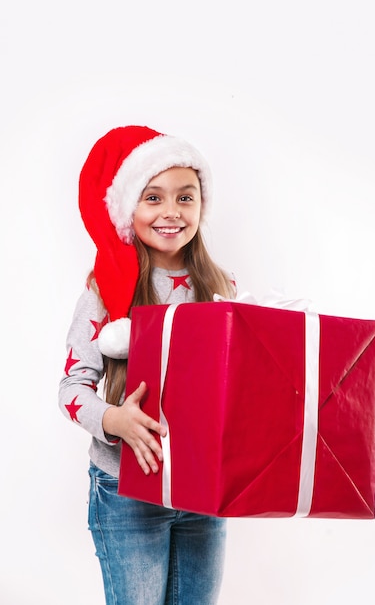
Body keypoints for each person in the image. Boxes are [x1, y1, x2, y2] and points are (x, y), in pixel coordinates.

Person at [58, 125, 236, 605]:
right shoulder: (103, 291)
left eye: (186, 198)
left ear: (202, 205)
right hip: (125, 490)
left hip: (203, 490)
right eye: (153, 197)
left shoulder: (221, 289)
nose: (171, 212)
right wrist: (113, 419)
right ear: (128, 207)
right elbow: (72, 389)